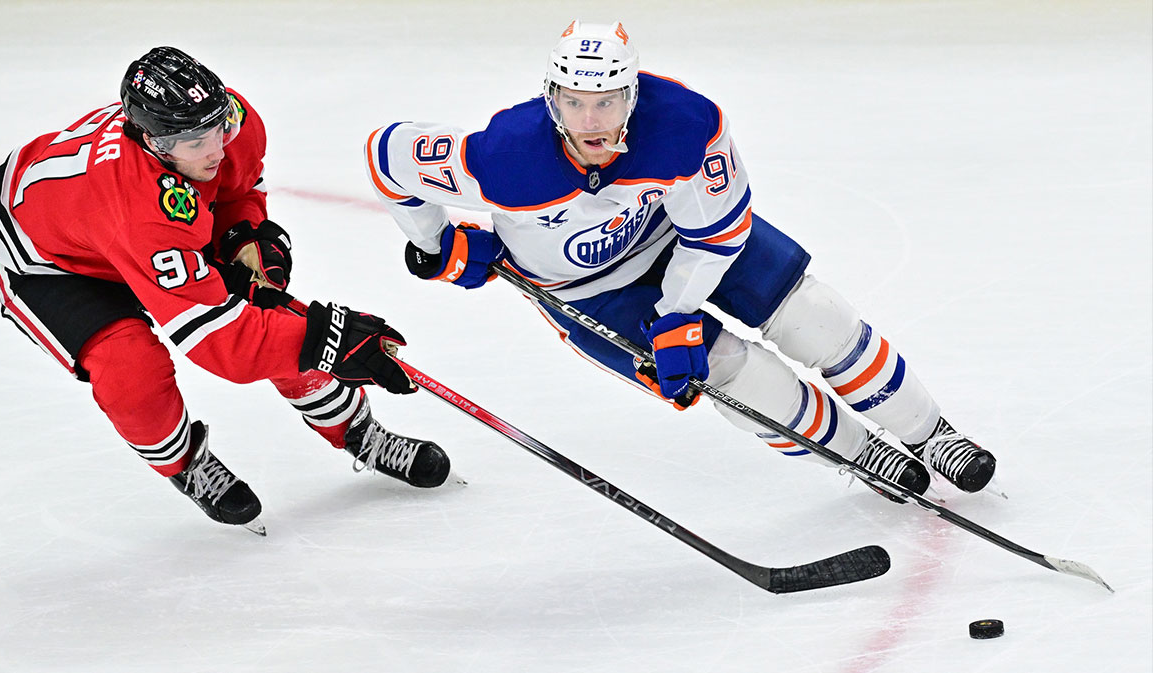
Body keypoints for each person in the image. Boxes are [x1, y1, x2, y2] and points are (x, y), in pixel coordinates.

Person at [364, 20, 997, 501]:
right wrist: (437, 244)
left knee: (813, 316)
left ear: (632, 96)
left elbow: (716, 237)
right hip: (589, 294)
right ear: (550, 98)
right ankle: (861, 454)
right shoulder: (504, 155)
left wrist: (677, 312)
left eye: (607, 101)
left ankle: (931, 434)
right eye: (574, 101)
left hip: (680, 242)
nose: (591, 121)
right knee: (730, 374)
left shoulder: (685, 126)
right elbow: (387, 155)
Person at [0, 46, 452, 535]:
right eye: (194, 140)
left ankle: (360, 434)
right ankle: (184, 465)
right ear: (152, 141)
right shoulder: (137, 206)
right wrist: (328, 344)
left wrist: (247, 234)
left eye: (217, 124)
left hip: (121, 227)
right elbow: (222, 345)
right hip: (50, 264)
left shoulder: (230, 123)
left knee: (275, 313)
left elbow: (238, 190)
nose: (215, 147)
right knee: (129, 369)